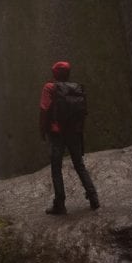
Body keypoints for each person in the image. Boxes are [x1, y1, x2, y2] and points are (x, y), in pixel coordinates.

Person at [39, 60, 99, 215]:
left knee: (56, 168)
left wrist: (42, 130)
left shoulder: (49, 87)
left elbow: (44, 110)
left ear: (54, 74)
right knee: (79, 165)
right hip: (74, 132)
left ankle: (60, 204)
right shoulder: (76, 88)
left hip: (57, 133)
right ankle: (93, 197)